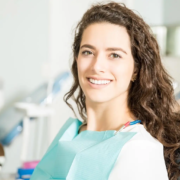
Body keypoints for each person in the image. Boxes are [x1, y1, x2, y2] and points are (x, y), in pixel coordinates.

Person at [30, 1, 180, 180]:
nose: (97, 66)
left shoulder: (138, 149)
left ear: (136, 70)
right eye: (88, 52)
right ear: (76, 59)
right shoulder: (71, 134)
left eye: (114, 55)